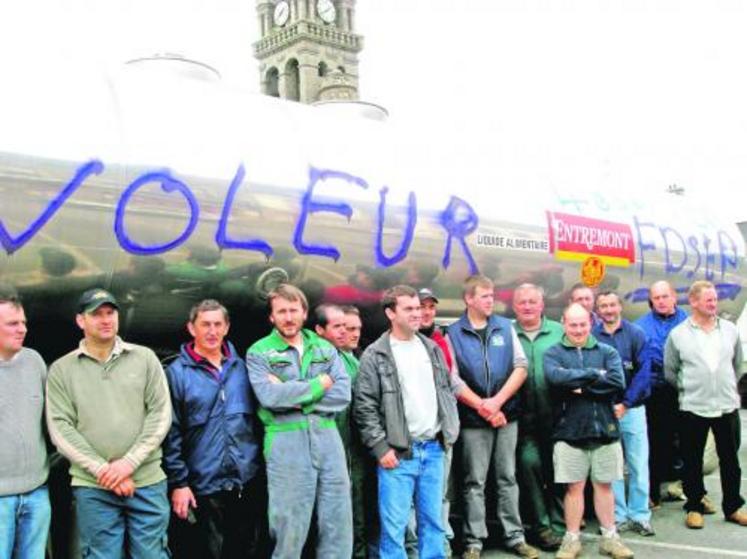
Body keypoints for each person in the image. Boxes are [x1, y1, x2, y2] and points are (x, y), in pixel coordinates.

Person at [46, 288, 172, 557]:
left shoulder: (145, 358)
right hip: (93, 487)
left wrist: (128, 464)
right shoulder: (62, 369)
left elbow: (160, 415)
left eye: (110, 313)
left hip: (146, 482)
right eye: (97, 314)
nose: (106, 320)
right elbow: (60, 428)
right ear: (81, 321)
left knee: (151, 554)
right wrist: (105, 472)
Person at [246, 284, 352, 559]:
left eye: (294, 310)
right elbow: (269, 396)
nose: (288, 317)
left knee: (337, 519)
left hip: (328, 440)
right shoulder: (259, 352)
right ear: (272, 317)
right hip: (286, 440)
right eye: (281, 311)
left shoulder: (325, 348)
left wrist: (290, 392)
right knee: (289, 524)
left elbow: (342, 395)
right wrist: (319, 384)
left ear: (304, 313)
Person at [354, 285, 459, 559]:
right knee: (394, 528)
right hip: (398, 454)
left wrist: (449, 432)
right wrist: (381, 449)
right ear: (390, 312)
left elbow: (447, 391)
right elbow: (364, 408)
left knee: (433, 523)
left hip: (434, 450)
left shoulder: (432, 348)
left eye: (420, 308)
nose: (418, 314)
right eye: (409, 308)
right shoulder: (375, 355)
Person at [446, 274, 538, 559]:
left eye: (492, 295)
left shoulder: (504, 327)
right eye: (485, 296)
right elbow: (453, 379)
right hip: (474, 421)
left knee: (507, 477)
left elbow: (521, 366)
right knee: (474, 481)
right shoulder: (453, 333)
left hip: (506, 416)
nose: (491, 301)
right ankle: (474, 541)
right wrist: (483, 407)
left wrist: (497, 403)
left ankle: (515, 536)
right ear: (469, 299)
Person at [162, 299, 262, 558]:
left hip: (244, 482)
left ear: (227, 327)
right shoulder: (177, 373)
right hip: (202, 487)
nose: (212, 331)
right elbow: (171, 433)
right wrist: (179, 483)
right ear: (191, 328)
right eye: (205, 324)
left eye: (218, 324)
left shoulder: (244, 368)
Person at [544, 303, 633, 559]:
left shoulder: (607, 351)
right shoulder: (553, 353)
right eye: (573, 324)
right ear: (563, 323)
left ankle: (610, 538)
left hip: (605, 430)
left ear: (591, 322)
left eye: (583, 324)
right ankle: (571, 540)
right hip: (569, 432)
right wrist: (596, 374)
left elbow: (617, 382)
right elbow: (555, 379)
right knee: (574, 488)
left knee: (604, 486)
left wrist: (580, 384)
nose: (578, 329)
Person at [664, 280, 747, 529]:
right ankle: (694, 506)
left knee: (730, 461)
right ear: (694, 302)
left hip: (726, 406)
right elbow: (671, 371)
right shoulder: (678, 334)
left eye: (714, 299)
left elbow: (737, 364)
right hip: (693, 406)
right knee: (692, 460)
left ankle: (733, 507)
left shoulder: (730, 330)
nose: (714, 303)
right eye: (708, 299)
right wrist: (693, 388)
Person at [593, 291, 654, 536]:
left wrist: (626, 403)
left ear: (620, 306)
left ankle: (640, 515)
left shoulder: (635, 334)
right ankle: (617, 515)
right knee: (612, 467)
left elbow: (644, 373)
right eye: (603, 306)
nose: (608, 310)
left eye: (612, 305)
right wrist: (608, 404)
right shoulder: (592, 337)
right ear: (597, 310)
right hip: (605, 411)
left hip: (633, 410)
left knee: (638, 464)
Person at [511, 284, 565, 551]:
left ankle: (560, 525)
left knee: (557, 471)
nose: (528, 306)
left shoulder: (559, 332)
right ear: (514, 306)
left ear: (542, 305)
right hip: (522, 422)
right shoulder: (508, 333)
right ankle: (540, 525)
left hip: (557, 419)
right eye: (522, 302)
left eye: (533, 302)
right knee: (529, 468)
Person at [314, 303, 369, 559]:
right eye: (345, 328)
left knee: (356, 511)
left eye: (356, 328)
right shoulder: (319, 359)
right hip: (327, 448)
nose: (351, 334)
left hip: (354, 449)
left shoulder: (353, 360)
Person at [0, 293, 50, 559]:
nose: (23, 329)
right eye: (13, 323)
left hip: (36, 494)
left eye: (24, 322)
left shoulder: (34, 361)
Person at [634, 280, 688, 508]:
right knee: (655, 442)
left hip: (685, 389)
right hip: (656, 392)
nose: (661, 301)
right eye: (656, 298)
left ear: (674, 297)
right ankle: (652, 493)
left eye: (665, 296)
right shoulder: (641, 326)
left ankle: (693, 492)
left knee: (688, 442)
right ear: (651, 301)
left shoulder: (689, 321)